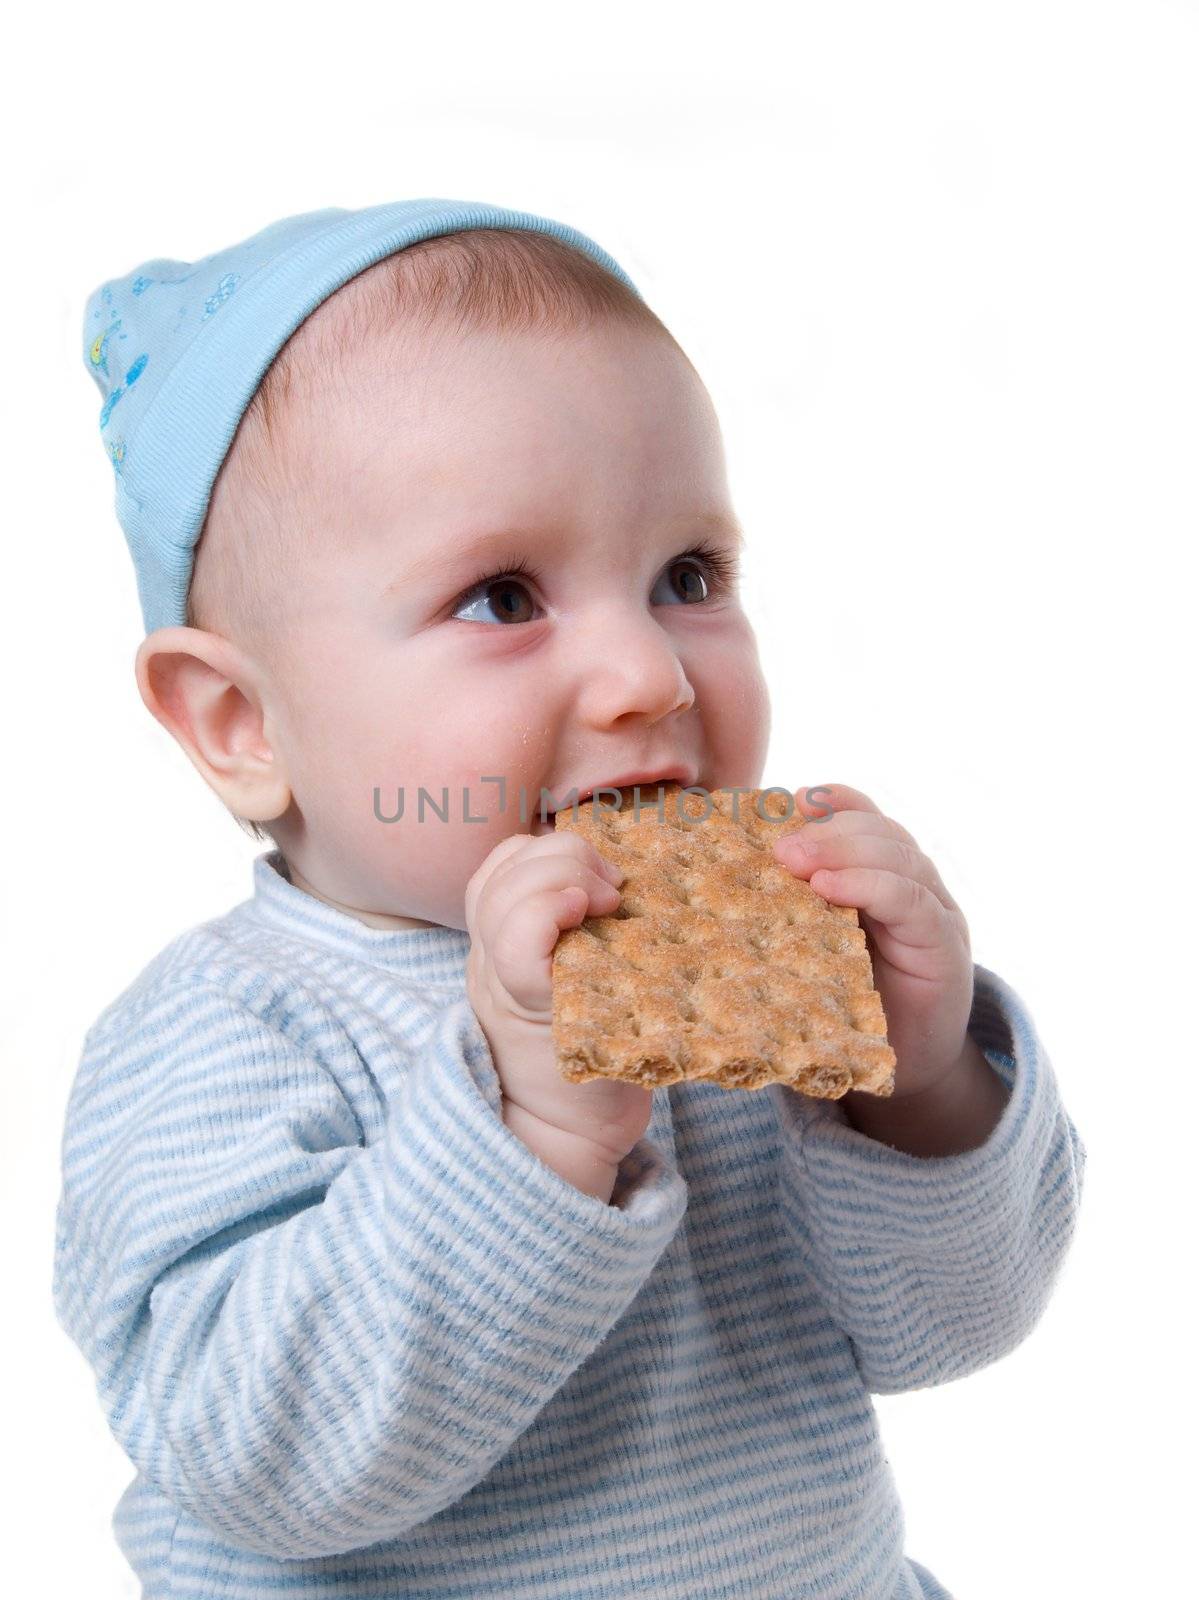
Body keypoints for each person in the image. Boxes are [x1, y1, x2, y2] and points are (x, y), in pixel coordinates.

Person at [53, 198, 1086, 1598]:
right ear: (241, 720)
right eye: (501, 598)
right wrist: (532, 1134)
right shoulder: (221, 1036)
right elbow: (257, 1461)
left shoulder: (745, 984)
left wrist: (920, 1091)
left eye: (688, 577)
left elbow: (948, 1333)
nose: (650, 675)